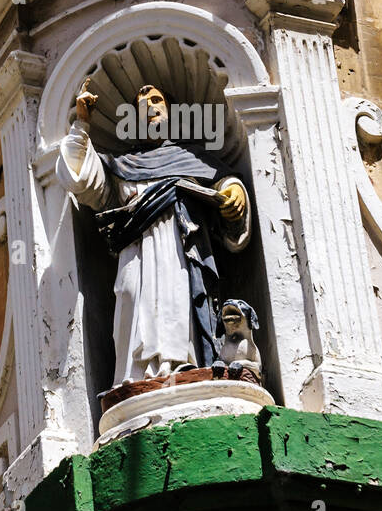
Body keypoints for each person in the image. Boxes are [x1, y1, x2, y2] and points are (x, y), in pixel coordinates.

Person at [56, 80, 251, 386]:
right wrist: (81, 124)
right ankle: (135, 378)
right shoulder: (123, 166)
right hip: (137, 251)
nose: (149, 107)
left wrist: (233, 192)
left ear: (172, 113)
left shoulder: (191, 158)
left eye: (157, 100)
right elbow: (83, 181)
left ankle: (184, 366)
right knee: (132, 297)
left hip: (180, 249)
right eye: (141, 105)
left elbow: (222, 182)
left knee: (178, 301)